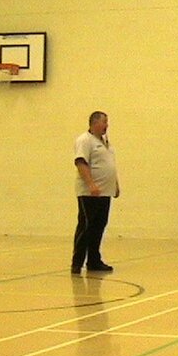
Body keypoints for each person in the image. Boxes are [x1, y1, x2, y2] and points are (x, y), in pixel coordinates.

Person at [71, 111, 119, 275]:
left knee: (99, 226)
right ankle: (77, 263)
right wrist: (91, 184)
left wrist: (115, 185)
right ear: (94, 123)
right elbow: (80, 162)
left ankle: (93, 260)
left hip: (105, 192)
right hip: (89, 193)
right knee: (86, 226)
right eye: (104, 121)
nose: (107, 125)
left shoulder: (105, 142)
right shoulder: (85, 140)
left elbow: (109, 165)